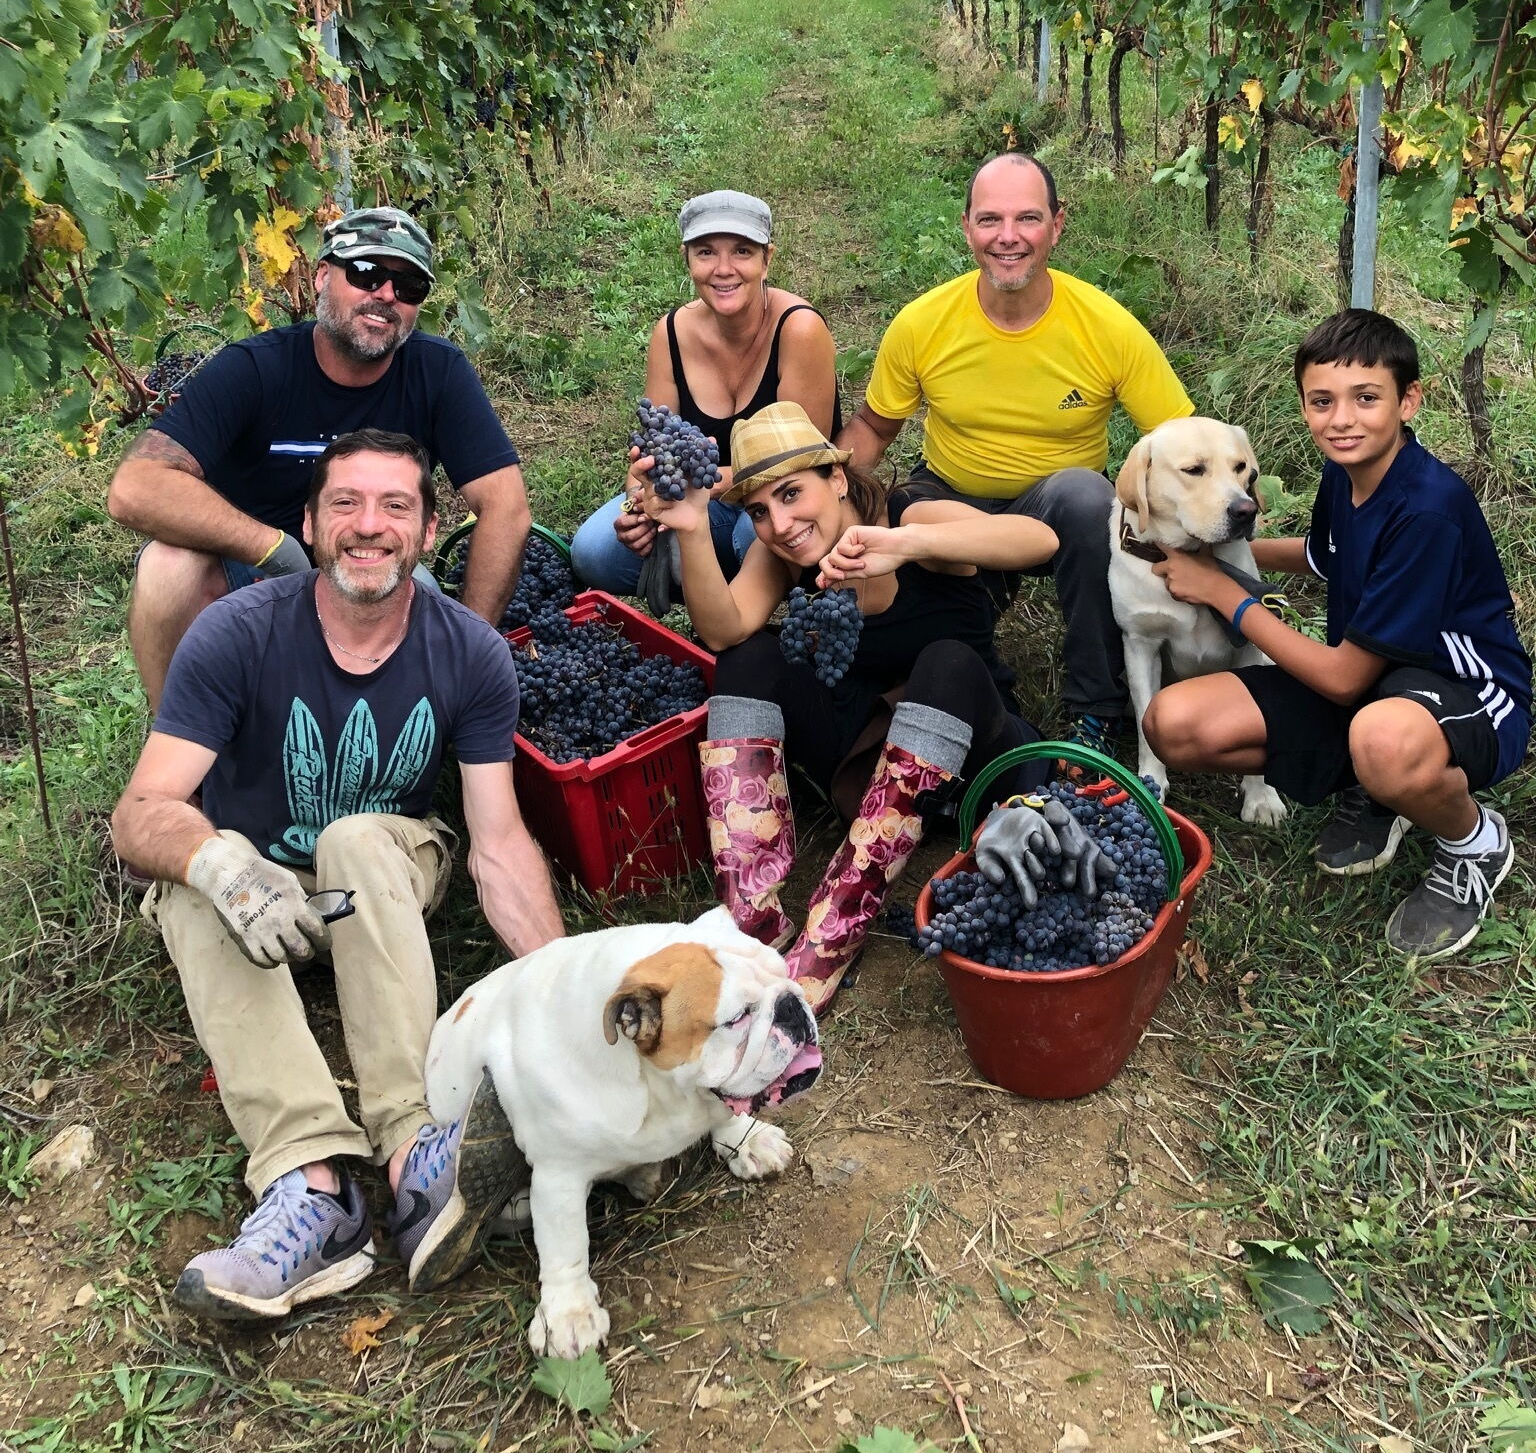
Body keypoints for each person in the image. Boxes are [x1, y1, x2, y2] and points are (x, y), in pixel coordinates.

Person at [110, 430, 565, 1320]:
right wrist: (219, 862)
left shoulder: (470, 651)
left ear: (427, 532)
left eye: (396, 506)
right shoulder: (236, 633)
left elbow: (499, 841)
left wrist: (565, 991)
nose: (369, 525)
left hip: (381, 874)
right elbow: (142, 812)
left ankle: (418, 1154)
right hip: (258, 906)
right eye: (345, 504)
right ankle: (312, 1192)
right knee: (189, 885)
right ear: (310, 526)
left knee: (354, 837)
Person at [635, 402, 1113, 1009]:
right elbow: (723, 630)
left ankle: (835, 929)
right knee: (747, 657)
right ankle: (751, 913)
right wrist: (692, 528)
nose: (780, 523)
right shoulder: (784, 554)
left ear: (837, 478)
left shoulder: (910, 513)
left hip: (976, 759)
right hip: (869, 766)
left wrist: (907, 545)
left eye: (791, 494)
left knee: (946, 661)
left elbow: (1039, 539)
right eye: (759, 510)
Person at [1144, 310, 1530, 961]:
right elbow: (1322, 556)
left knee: (1383, 738)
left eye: (1366, 398)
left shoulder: (1427, 510)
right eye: (1322, 401)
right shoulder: (1344, 473)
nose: (1342, 419)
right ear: (1304, 406)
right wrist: (1219, 549)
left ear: (1409, 401)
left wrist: (1223, 592)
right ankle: (1381, 789)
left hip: (1468, 696)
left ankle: (1474, 843)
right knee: (1174, 724)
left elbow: (1344, 678)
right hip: (1376, 688)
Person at [838, 152, 1194, 760]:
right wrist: (824, 491)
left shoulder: (1107, 327)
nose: (1008, 237)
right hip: (950, 493)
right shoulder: (923, 323)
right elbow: (874, 426)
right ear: (966, 227)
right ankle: (928, 682)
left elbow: (1180, 438)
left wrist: (1216, 540)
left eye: (1027, 218)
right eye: (990, 219)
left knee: (1089, 500)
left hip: (1055, 508)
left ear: (1057, 224)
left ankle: (1097, 706)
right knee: (905, 513)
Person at [109, 207, 532, 706]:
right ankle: (181, 729)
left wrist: (472, 646)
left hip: (369, 559)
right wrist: (274, 549)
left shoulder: (438, 373)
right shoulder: (255, 369)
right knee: (168, 569)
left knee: (422, 599)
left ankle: (392, 722)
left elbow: (507, 507)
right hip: (250, 573)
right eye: (367, 273)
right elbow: (136, 487)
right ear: (322, 276)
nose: (387, 295)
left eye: (409, 286)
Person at [570, 191, 838, 602]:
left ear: (767, 259)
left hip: (780, 495)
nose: (723, 269)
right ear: (687, 258)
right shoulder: (670, 334)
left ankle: (742, 606)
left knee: (756, 533)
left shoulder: (798, 329)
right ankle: (711, 587)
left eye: (742, 251)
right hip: (697, 498)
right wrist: (640, 503)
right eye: (706, 252)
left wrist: (692, 489)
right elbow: (653, 447)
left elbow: (799, 462)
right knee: (593, 552)